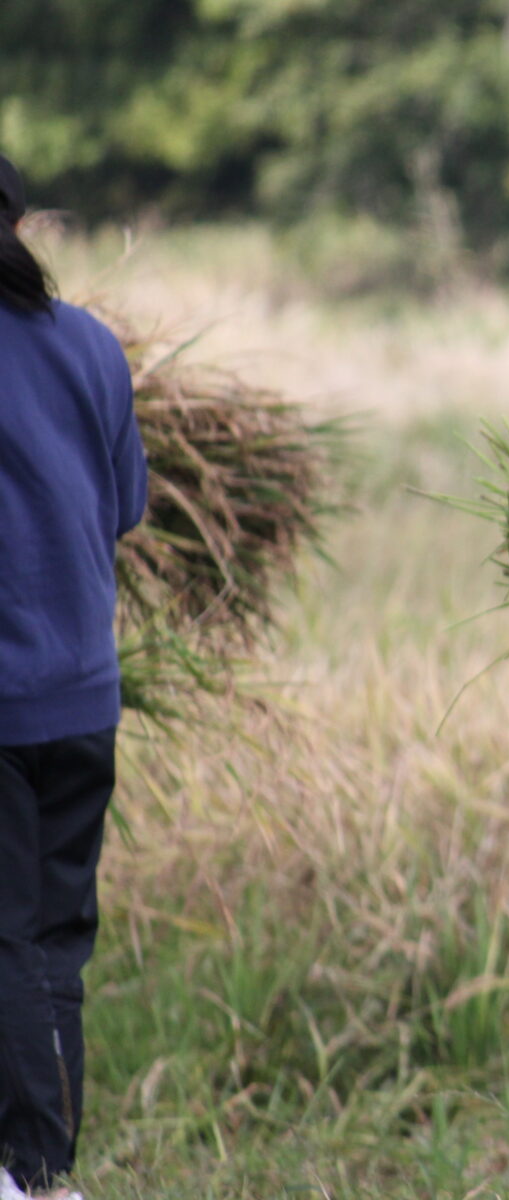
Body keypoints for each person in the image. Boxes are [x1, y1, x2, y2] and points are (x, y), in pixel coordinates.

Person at [0, 153, 148, 1200]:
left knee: (5, 944)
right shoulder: (91, 344)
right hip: (82, 693)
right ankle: (47, 1176)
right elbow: (125, 506)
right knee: (51, 947)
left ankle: (24, 1173)